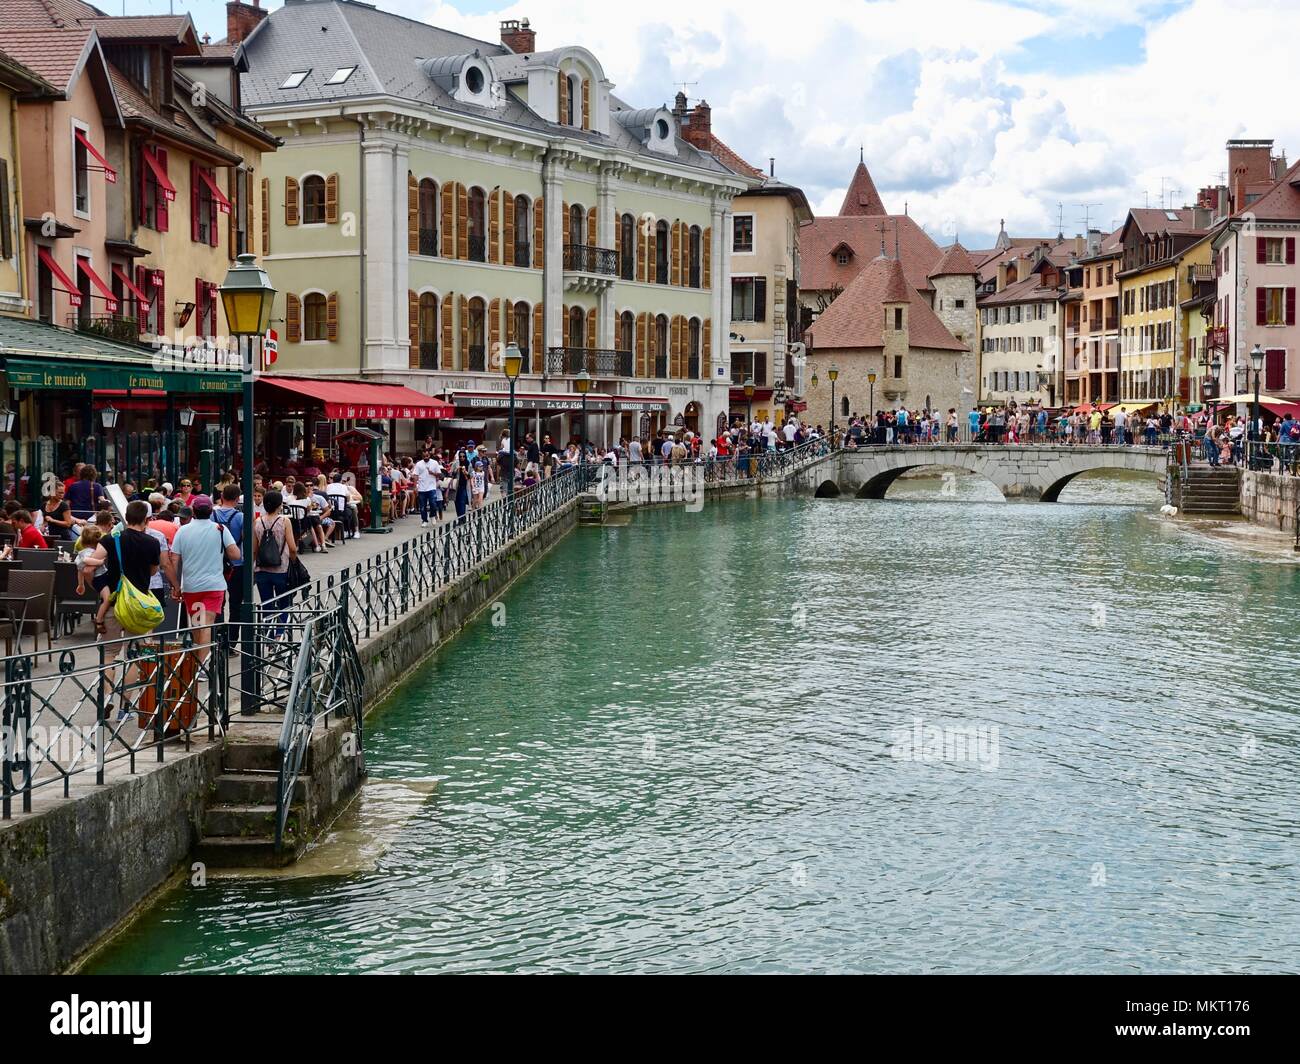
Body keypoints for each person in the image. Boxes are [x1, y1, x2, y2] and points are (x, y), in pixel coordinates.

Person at [169, 496, 238, 663]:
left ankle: (198, 659)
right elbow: (236, 555)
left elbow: (174, 560)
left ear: (193, 512)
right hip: (214, 584)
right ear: (210, 512)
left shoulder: (183, 531)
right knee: (206, 624)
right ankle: (203, 664)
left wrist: (176, 586)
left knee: (196, 624)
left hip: (191, 585)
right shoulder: (220, 529)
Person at [253, 489, 298, 615]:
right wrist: (293, 561)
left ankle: (268, 632)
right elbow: (293, 548)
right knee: (284, 603)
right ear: (279, 505)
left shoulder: (257, 522)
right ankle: (280, 632)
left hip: (262, 569)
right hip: (281, 568)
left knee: (266, 604)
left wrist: (252, 567)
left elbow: (254, 550)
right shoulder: (284, 521)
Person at [213, 484, 245, 626]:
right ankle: (232, 640)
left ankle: (219, 635)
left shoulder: (211, 515)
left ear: (221, 497)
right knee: (236, 604)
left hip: (215, 563)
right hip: (236, 564)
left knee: (217, 603)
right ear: (237, 499)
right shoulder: (241, 517)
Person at [74, 525, 113, 636]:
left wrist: (81, 584)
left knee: (107, 598)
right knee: (107, 599)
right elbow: (87, 561)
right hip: (99, 578)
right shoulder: (87, 552)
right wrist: (99, 562)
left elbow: (80, 570)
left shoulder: (83, 551)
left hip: (101, 577)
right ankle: (99, 620)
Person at [414, 449, 441, 527]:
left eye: (427, 456)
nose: (426, 457)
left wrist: (432, 473)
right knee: (422, 506)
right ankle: (424, 520)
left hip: (431, 486)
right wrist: (415, 486)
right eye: (424, 456)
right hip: (422, 487)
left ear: (430, 455)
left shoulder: (434, 463)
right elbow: (415, 475)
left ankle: (432, 515)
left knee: (433, 503)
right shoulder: (419, 464)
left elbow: (439, 474)